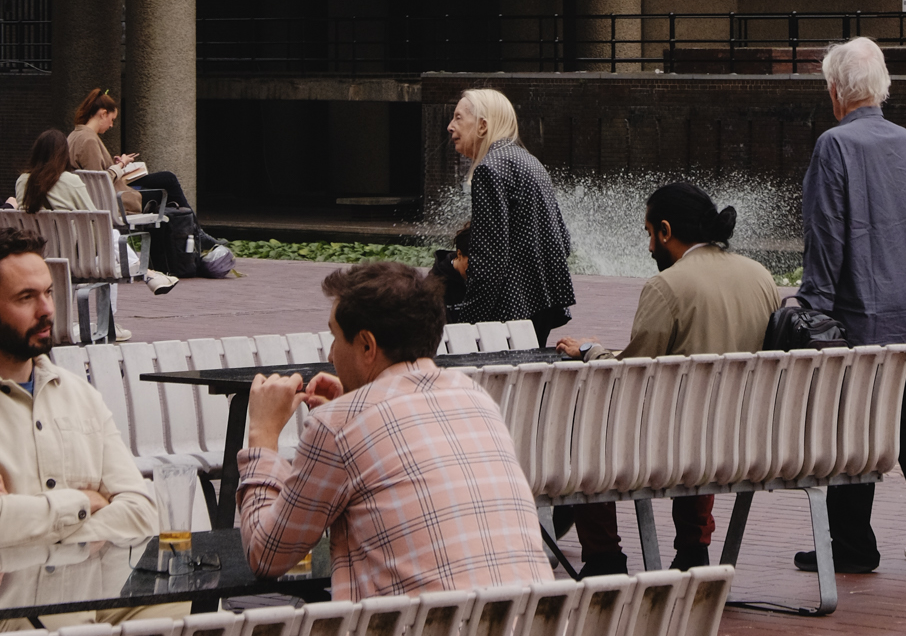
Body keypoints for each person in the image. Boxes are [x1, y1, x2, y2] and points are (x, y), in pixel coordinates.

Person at [238, 259, 547, 600]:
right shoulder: (476, 398)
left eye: (335, 336)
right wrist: (353, 405)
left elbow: (266, 555)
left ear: (367, 346)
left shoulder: (339, 426)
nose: (330, 353)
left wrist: (263, 437)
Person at [795, 36, 906, 577]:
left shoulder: (835, 145)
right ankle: (905, 522)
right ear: (882, 88)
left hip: (852, 309)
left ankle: (877, 532)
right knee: (892, 414)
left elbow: (825, 233)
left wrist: (814, 305)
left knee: (852, 422)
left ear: (835, 91)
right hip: (901, 306)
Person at [556, 180, 780, 576]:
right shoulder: (760, 276)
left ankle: (605, 557)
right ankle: (693, 547)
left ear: (665, 230)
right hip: (747, 438)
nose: (648, 248)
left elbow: (632, 375)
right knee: (702, 416)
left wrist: (591, 350)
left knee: (581, 430)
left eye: (648, 234)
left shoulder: (667, 285)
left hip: (675, 445)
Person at [0, 226, 156, 546]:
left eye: (48, 292)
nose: (46, 310)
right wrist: (87, 502)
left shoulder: (80, 394)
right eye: (26, 297)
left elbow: (141, 512)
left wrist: (38, 528)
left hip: (92, 593)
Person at [435, 88, 573, 347]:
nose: (450, 126)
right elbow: (562, 242)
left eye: (458, 118)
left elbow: (489, 261)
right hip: (540, 308)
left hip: (508, 316)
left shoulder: (490, 169)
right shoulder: (530, 161)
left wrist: (467, 326)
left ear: (483, 126)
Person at [68, 88, 193, 216]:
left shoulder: (75, 135)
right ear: (103, 114)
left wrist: (114, 164)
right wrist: (120, 165)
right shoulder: (89, 140)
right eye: (112, 119)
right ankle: (195, 231)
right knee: (168, 184)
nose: (111, 125)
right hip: (115, 201)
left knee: (167, 179)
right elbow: (99, 182)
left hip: (110, 195)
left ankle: (194, 230)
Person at [15, 127, 96, 214]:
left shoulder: (22, 181)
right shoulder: (72, 181)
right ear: (64, 154)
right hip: (66, 228)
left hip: (31, 228)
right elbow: (95, 217)